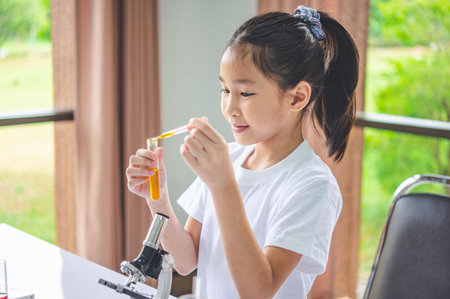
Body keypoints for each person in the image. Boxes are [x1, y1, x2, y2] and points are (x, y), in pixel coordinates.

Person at [126, 5, 359, 299]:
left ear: (297, 97)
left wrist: (223, 185)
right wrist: (156, 198)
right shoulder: (230, 159)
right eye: (225, 90)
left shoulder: (312, 185)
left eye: (245, 93)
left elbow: (258, 291)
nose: (229, 108)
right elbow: (187, 261)